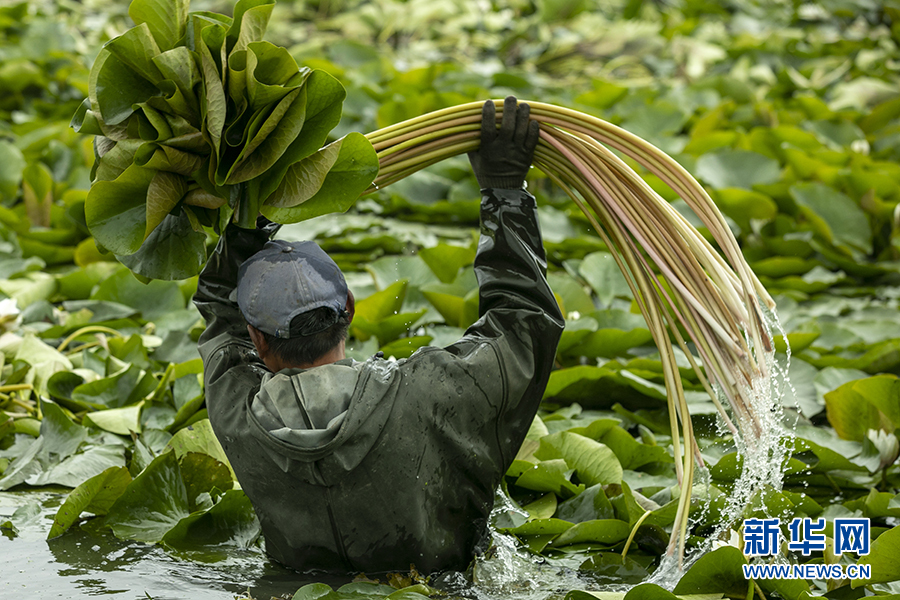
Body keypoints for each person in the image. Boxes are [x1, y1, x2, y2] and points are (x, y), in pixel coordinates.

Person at [193, 96, 565, 575]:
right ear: (349, 309)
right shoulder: (432, 390)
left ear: (256, 339)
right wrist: (505, 189)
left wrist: (251, 214)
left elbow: (219, 312)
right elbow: (525, 321)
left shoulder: (235, 411)